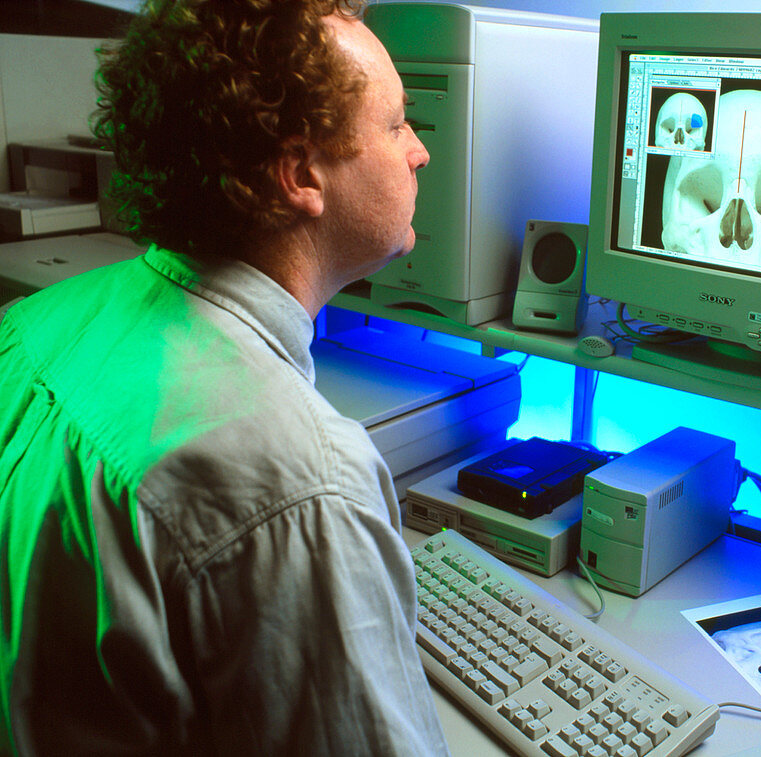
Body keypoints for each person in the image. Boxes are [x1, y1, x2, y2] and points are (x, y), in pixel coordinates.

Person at [0, 0, 447, 753]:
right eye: (398, 123)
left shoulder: (35, 325)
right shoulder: (304, 485)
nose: (419, 152)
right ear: (303, 173)